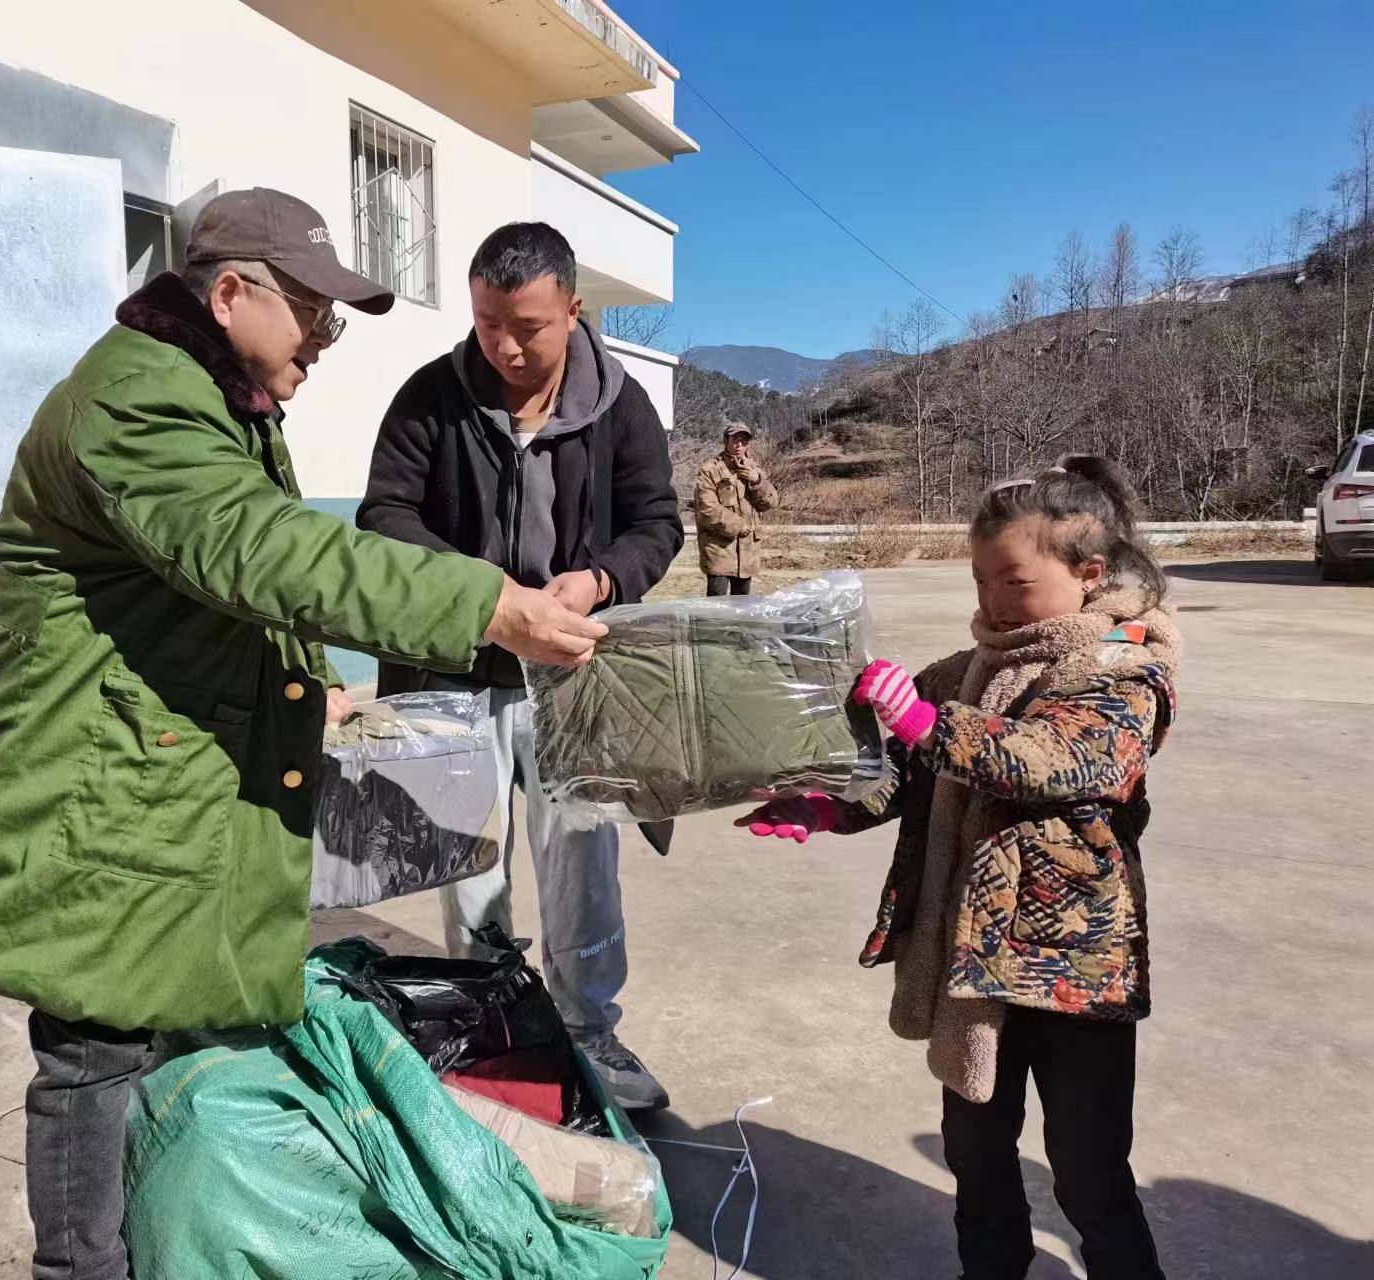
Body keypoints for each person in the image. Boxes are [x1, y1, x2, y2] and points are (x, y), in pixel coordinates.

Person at [0, 189, 606, 1280]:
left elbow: (230, 584)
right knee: (94, 1045)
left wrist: (309, 685)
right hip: (79, 777)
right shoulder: (137, 399)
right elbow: (258, 550)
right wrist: (487, 604)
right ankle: (81, 1268)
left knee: (158, 1027)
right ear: (230, 294)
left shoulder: (214, 397)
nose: (322, 343)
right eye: (312, 316)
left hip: (137, 764)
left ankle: (163, 1238)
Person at [741, 456, 1177, 1280]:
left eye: (1012, 583)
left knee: (1088, 1176)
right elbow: (906, 772)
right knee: (975, 1157)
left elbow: (1058, 758)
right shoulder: (976, 667)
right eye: (979, 582)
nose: (990, 604)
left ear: (1088, 576)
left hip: (1071, 974)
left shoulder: (1124, 672)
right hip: (975, 966)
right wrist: (829, 806)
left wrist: (922, 721)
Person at [357, 221, 683, 1111]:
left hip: (573, 674)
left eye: (527, 326)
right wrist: (482, 595)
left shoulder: (620, 407)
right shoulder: (431, 397)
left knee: (582, 860)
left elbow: (658, 523)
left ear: (573, 311)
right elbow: (384, 517)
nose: (502, 344)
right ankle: (492, 1027)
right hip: (456, 670)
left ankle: (589, 1034)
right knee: (470, 867)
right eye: (486, 320)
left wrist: (603, 578)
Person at [694, 420, 777, 595]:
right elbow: (706, 508)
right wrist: (737, 525)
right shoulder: (710, 470)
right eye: (735, 439)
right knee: (717, 605)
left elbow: (770, 503)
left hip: (748, 551)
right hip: (719, 549)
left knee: (742, 606)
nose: (739, 445)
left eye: (744, 440)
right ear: (726, 441)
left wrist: (757, 482)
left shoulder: (755, 469)